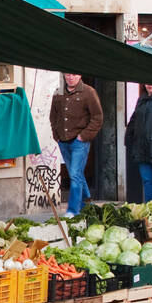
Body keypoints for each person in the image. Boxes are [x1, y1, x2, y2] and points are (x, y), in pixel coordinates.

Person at [49, 72, 102, 217]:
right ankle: (87, 203)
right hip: (63, 141)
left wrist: (83, 136)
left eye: (73, 75)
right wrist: (56, 135)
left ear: (79, 76)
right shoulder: (58, 93)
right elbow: (53, 116)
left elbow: (97, 117)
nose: (70, 77)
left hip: (79, 141)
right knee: (76, 173)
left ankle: (73, 210)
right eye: (68, 75)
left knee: (75, 175)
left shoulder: (89, 92)